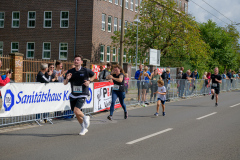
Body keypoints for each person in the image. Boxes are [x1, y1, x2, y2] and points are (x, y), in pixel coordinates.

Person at [64, 54, 96, 135]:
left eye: (78, 60)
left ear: (81, 62)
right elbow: (64, 83)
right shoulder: (70, 71)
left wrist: (89, 81)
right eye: (75, 60)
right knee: (76, 112)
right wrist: (67, 79)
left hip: (83, 93)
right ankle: (83, 127)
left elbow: (94, 75)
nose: (76, 61)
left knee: (76, 110)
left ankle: (85, 117)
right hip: (73, 94)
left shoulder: (86, 70)